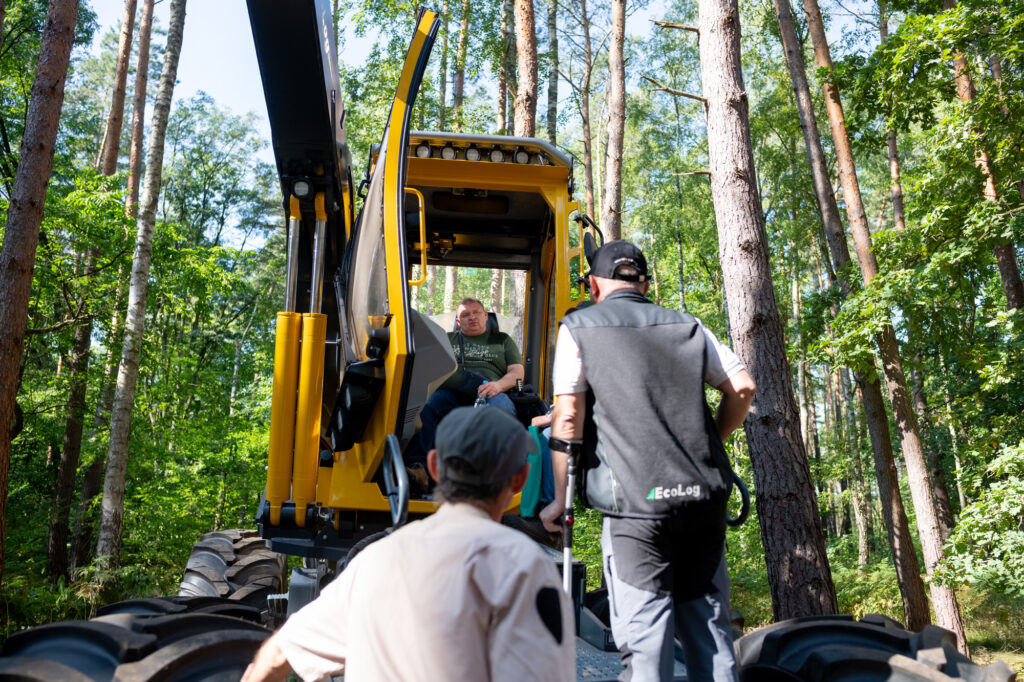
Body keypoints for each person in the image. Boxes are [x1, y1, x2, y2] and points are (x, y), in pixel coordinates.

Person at [539, 240, 756, 682]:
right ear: (645, 283)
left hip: (636, 511)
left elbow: (568, 416)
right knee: (711, 638)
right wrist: (711, 440)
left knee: (646, 645)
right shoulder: (688, 325)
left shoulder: (579, 326)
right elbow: (743, 388)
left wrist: (560, 499)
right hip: (702, 501)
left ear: (595, 285)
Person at [242, 406, 575, 682]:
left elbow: (276, 655)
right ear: (519, 480)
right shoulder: (523, 566)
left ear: (433, 467)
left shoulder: (372, 562)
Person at [407, 297, 525, 465]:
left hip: (490, 391)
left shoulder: (502, 340)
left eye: (476, 312)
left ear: (485, 315)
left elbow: (517, 373)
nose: (472, 317)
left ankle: (496, 470)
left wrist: (498, 385)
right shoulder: (446, 339)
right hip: (451, 393)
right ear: (458, 321)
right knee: (424, 408)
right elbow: (429, 367)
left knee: (502, 410)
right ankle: (420, 467)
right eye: (465, 315)